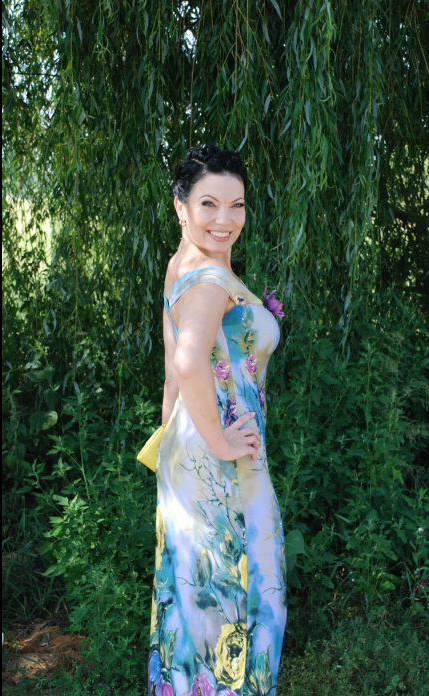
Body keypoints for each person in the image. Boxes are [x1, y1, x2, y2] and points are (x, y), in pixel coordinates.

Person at [148, 144, 288, 696]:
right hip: (220, 460)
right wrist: (221, 444)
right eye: (209, 203)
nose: (225, 219)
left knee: (197, 599)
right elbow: (188, 362)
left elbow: (172, 372)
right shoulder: (208, 278)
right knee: (242, 597)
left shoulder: (182, 265)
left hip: (190, 455)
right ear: (180, 206)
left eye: (237, 204)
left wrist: (169, 452)